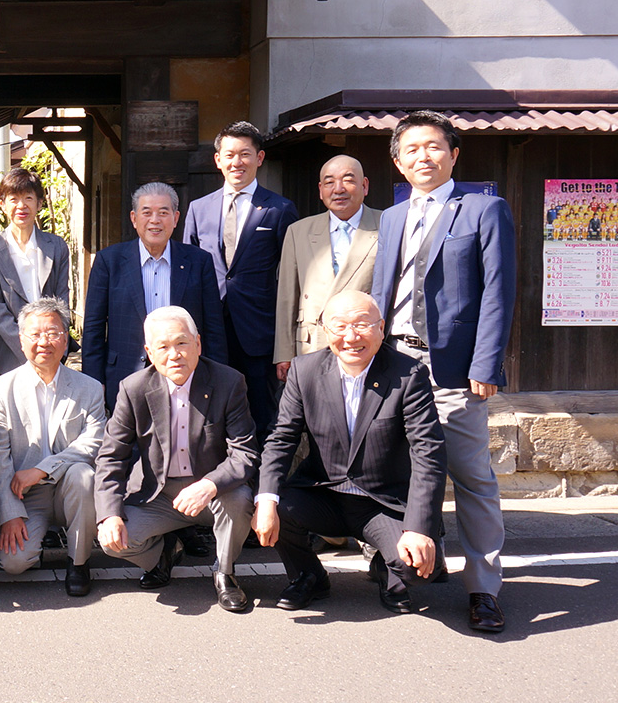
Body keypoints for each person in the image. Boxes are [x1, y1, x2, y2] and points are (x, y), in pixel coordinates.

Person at [371, 110, 516, 633]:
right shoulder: (392, 217)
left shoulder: (482, 210)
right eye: (411, 150)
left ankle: (483, 588)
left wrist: (486, 363)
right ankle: (405, 567)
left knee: (472, 478)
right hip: (395, 361)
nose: (422, 157)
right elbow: (381, 293)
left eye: (433, 147)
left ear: (454, 155)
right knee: (398, 471)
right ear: (398, 161)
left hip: (452, 367)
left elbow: (499, 293)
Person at [254, 291, 446, 616]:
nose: (351, 337)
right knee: (273, 505)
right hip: (325, 495)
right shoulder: (305, 371)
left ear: (381, 328)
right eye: (339, 326)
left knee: (417, 568)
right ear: (326, 331)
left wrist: (419, 528)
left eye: (361, 325)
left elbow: (429, 454)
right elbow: (281, 438)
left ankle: (387, 568)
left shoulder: (408, 375)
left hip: (382, 503)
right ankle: (309, 576)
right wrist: (266, 499)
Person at [95, 306, 258, 613]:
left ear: (198, 343)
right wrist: (109, 515)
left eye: (182, 343)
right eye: (163, 346)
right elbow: (111, 458)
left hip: (214, 493)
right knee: (111, 538)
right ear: (149, 352)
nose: (174, 354)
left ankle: (225, 573)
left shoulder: (228, 382)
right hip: (159, 493)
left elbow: (245, 453)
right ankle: (164, 555)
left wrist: (209, 484)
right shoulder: (134, 389)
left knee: (239, 500)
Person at [183, 121, 298, 440]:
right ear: (217, 159)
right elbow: (190, 272)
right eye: (229, 154)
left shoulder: (279, 209)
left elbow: (291, 274)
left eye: (245, 154)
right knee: (211, 407)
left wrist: (286, 343)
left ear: (259, 158)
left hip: (259, 329)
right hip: (211, 328)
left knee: (260, 410)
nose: (237, 162)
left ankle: (260, 483)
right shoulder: (198, 209)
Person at [0, 298, 105, 597]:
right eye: (35, 334)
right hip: (24, 493)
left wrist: (41, 470)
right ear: (21, 339)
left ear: (65, 339)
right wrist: (9, 514)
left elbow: (93, 442)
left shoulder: (90, 387)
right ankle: (34, 545)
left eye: (53, 333)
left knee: (83, 475)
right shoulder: (1, 389)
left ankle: (78, 562)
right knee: (14, 563)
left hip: (70, 486)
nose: (44, 342)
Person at [84, 181, 228, 412]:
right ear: (134, 218)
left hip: (184, 372)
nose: (155, 220)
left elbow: (214, 328)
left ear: (176, 217)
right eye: (146, 212)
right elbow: (93, 327)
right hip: (125, 374)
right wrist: (93, 381)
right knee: (128, 444)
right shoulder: (109, 262)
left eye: (163, 212)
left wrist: (219, 378)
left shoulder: (198, 261)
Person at [274, 155, 379, 381]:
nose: (338, 189)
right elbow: (287, 298)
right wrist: (283, 353)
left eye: (348, 180)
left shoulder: (386, 225)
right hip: (312, 343)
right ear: (320, 190)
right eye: (329, 182)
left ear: (365, 185)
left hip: (363, 342)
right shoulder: (298, 231)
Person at [0, 167, 72, 377]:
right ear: (2, 205)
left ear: (39, 203)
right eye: (14, 199)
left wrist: (52, 346)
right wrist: (28, 348)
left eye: (28, 197)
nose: (21, 205)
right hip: (6, 355)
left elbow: (62, 299)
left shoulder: (56, 246)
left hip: (50, 352)